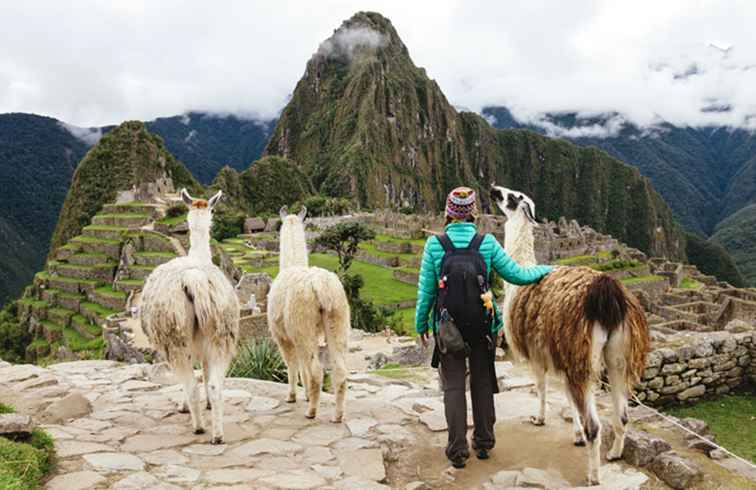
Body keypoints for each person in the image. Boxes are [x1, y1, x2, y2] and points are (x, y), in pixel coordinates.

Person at [414, 186, 553, 469]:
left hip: (447, 327)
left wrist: (420, 324)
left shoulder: (435, 245)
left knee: (453, 387)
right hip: (482, 327)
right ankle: (484, 443)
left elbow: (427, 292)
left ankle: (457, 451)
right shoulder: (486, 243)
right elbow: (518, 274)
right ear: (473, 213)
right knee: (482, 383)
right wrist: (548, 270)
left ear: (448, 212)